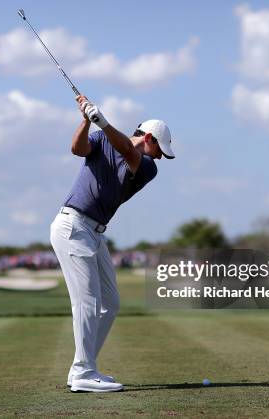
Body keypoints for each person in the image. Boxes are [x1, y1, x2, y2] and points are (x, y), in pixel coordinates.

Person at [50, 95, 175, 392]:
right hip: (73, 225)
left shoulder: (146, 167)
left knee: (110, 303)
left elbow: (128, 154)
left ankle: (83, 367)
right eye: (160, 149)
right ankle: (83, 372)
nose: (160, 157)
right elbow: (77, 149)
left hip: (95, 232)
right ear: (148, 137)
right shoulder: (101, 139)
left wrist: (102, 120)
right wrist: (85, 119)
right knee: (88, 301)